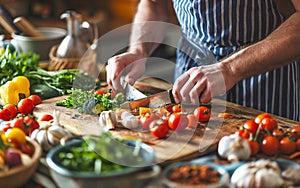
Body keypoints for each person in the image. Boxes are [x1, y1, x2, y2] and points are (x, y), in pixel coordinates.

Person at [106, 0, 300, 121]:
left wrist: (230, 68)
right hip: (189, 81)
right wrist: (139, 50)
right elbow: (153, 3)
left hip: (264, 83)